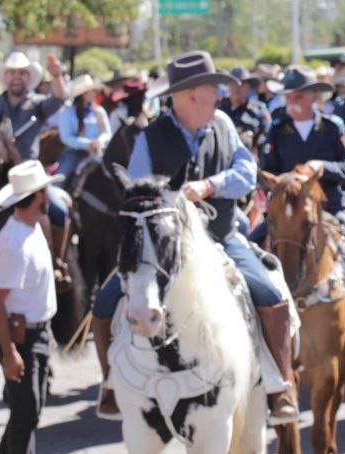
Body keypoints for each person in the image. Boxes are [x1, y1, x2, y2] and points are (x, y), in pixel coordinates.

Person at [90, 51, 297, 424]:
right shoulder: (150, 138)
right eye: (213, 90)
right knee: (105, 303)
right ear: (190, 96)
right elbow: (136, 190)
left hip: (220, 236)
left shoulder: (223, 124)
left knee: (268, 292)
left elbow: (246, 173)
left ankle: (278, 384)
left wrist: (209, 185)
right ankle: (111, 384)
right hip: (164, 245)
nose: (220, 96)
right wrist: (166, 198)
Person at [258, 66, 345, 359]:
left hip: (329, 210)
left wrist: (322, 167)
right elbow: (265, 171)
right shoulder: (277, 127)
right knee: (251, 253)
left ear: (314, 97)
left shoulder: (333, 126)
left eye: (298, 95)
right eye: (289, 96)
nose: (292, 101)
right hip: (288, 215)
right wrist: (285, 181)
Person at [0, 161, 62, 454]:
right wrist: (8, 352)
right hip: (23, 338)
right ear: (39, 196)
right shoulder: (14, 241)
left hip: (37, 331)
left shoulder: (31, 228)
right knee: (27, 411)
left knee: (27, 410)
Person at [0, 51, 71, 237]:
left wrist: (57, 75)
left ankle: (58, 262)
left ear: (28, 77)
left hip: (29, 175)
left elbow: (60, 98)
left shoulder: (37, 104)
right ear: (6, 77)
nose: (17, 77)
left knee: (60, 213)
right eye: (12, 72)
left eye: (21, 73)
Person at [54, 75, 111, 185]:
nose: (95, 93)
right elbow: (66, 137)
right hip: (75, 152)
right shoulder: (67, 113)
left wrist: (99, 141)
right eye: (91, 91)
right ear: (83, 94)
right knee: (60, 180)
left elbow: (107, 132)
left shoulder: (99, 111)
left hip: (99, 151)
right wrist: (88, 144)